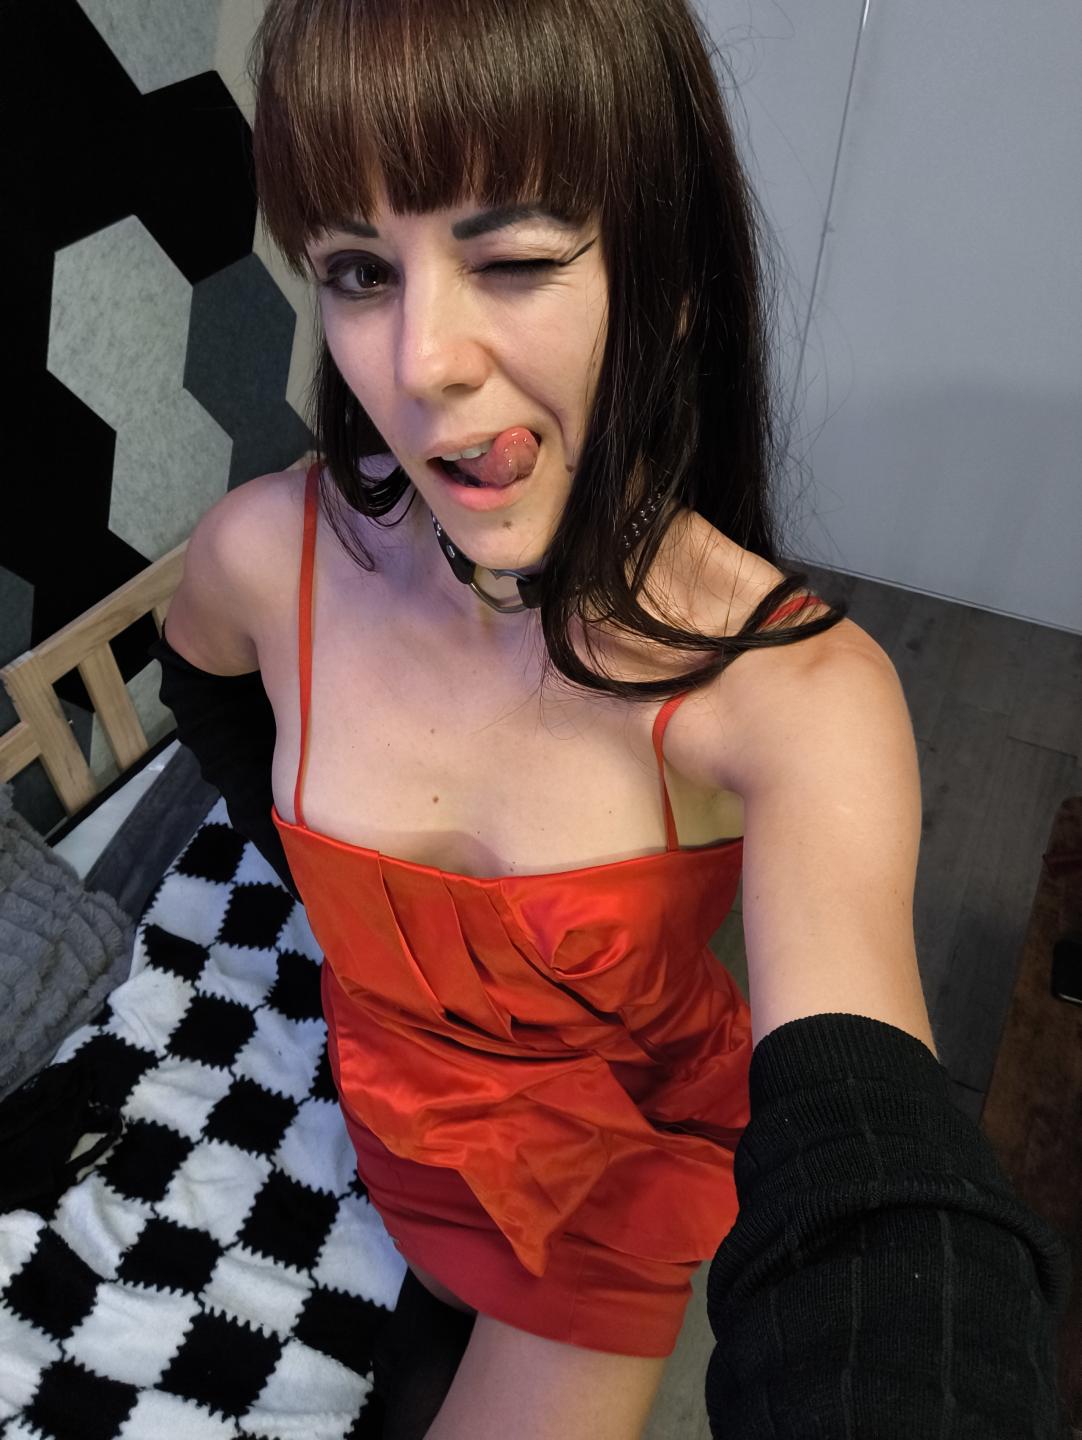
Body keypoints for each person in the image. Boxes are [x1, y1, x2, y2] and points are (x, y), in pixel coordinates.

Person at [150, 1, 1073, 1436]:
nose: (420, 364)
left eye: (513, 258)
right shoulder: (267, 558)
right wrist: (315, 892)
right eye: (357, 271)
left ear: (672, 277)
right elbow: (203, 685)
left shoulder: (795, 695)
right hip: (375, 1116)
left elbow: (878, 1172)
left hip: (602, 1188)